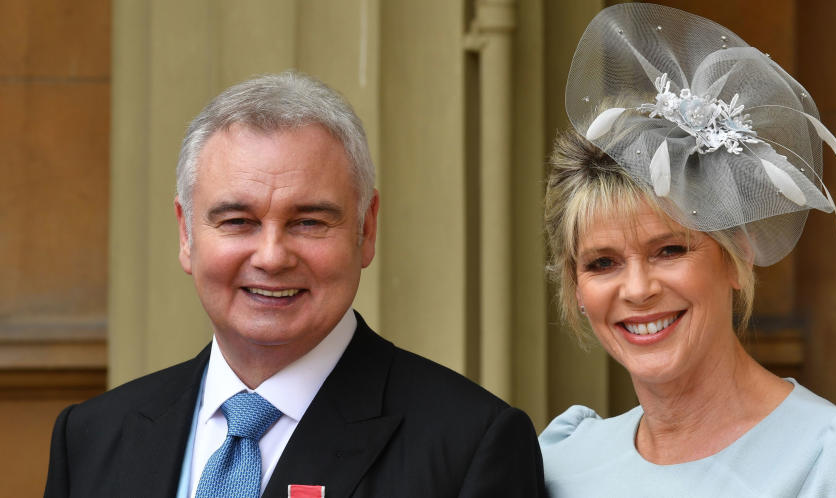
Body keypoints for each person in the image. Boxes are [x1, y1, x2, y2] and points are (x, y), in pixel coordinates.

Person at [44, 72, 546, 498]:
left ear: (366, 229)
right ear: (186, 233)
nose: (271, 256)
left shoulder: (469, 445)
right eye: (238, 221)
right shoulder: (91, 438)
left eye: (309, 222)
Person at [538, 4, 836, 497]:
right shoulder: (563, 457)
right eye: (602, 263)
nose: (637, 290)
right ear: (576, 287)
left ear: (737, 256)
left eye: (670, 250)